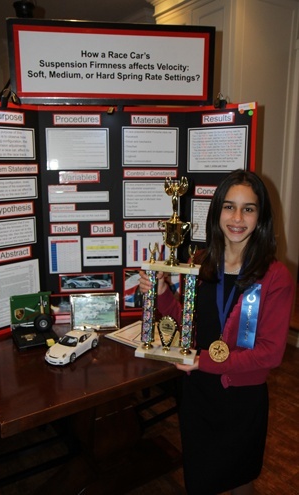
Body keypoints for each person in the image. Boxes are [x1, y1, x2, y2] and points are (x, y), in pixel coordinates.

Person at [139, 169, 295, 495]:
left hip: (240, 400)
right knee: (200, 480)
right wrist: (162, 293)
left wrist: (202, 361)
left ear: (261, 216)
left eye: (248, 208)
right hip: (198, 396)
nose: (237, 217)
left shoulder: (274, 276)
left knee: (238, 482)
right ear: (216, 212)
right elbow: (188, 325)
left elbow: (270, 352)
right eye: (228, 206)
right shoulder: (202, 261)